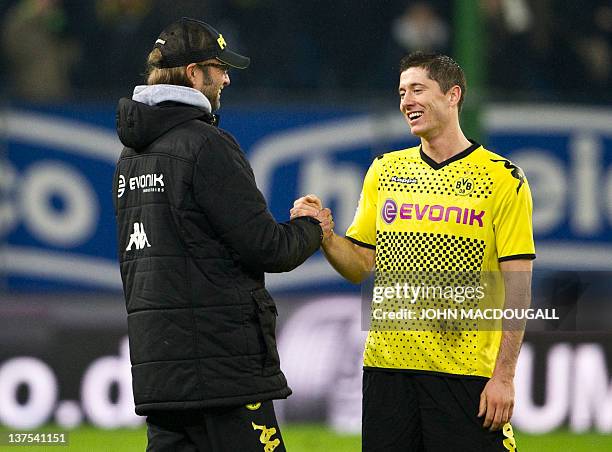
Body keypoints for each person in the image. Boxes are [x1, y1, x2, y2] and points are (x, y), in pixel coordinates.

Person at [292, 52, 535, 451]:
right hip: (387, 371)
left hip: (465, 374)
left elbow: (519, 285)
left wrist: (504, 376)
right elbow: (359, 265)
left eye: (418, 89)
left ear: (453, 95)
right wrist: (326, 235)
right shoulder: (384, 170)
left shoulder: (502, 178)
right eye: (402, 92)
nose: (406, 101)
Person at [112, 17, 332, 452]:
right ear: (194, 74)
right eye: (219, 67)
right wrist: (313, 227)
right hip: (224, 375)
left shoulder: (130, 156)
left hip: (160, 377)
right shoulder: (205, 145)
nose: (227, 78)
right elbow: (268, 248)